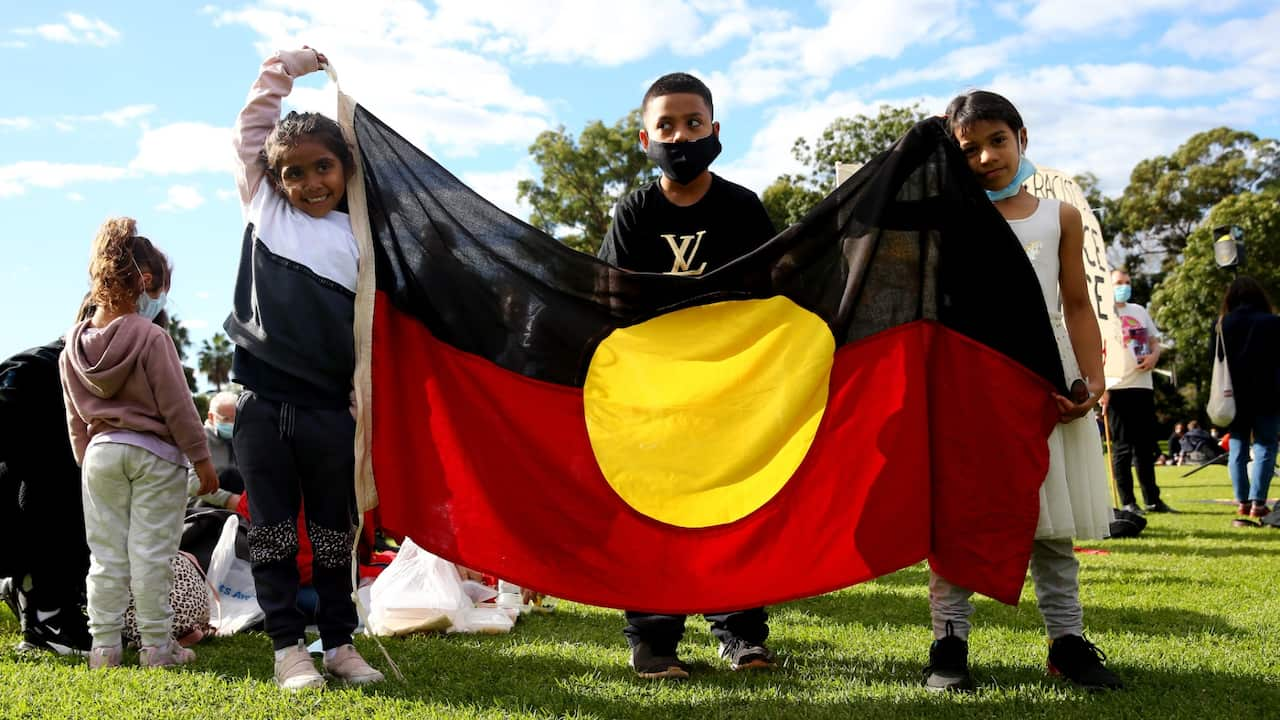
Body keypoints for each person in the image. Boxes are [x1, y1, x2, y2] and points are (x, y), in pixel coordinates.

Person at [922, 90, 1122, 692]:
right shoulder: (944, 223)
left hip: (1048, 381)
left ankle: (1067, 641)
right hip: (970, 384)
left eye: (997, 141)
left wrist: (1091, 380)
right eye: (969, 148)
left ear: (1022, 137)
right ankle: (948, 640)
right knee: (960, 517)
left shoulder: (1058, 216)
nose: (985, 157)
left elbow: (1078, 306)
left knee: (1051, 520)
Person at [597, 72, 778, 680]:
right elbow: (611, 303)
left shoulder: (743, 208)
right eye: (666, 126)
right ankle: (652, 639)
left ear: (715, 131)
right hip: (655, 396)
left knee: (735, 508)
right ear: (643, 137)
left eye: (693, 123)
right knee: (654, 513)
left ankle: (741, 634)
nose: (680, 136)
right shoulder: (634, 212)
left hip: (729, 392)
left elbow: (770, 296)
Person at [226, 46, 383, 690]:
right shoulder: (266, 210)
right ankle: (288, 649)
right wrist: (281, 71)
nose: (310, 183)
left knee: (332, 534)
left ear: (347, 168)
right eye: (294, 173)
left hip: (327, 413)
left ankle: (341, 645)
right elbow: (250, 135)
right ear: (274, 179)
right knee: (270, 533)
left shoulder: (362, 237)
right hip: (262, 408)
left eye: (324, 167)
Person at [59, 217, 219, 670]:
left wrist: (86, 460)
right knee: (152, 555)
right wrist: (201, 459)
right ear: (146, 282)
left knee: (106, 556)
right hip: (155, 456)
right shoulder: (152, 337)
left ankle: (104, 648)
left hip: (100, 455)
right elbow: (179, 407)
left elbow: (76, 418)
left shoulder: (71, 346)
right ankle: (156, 647)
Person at [0, 336, 92, 656]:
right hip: (23, 503)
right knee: (60, 467)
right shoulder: (38, 367)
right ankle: (46, 610)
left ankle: (44, 597)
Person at [1102, 269, 1174, 514]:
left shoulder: (1139, 311)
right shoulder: (1102, 313)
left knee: (1145, 447)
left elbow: (1154, 342)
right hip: (1116, 387)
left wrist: (1154, 356)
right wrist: (1102, 388)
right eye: (1119, 283)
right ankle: (1128, 501)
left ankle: (1153, 500)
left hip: (1142, 385)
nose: (1124, 286)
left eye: (1127, 282)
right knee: (1122, 448)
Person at [1216, 276, 1280, 523]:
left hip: (1233, 395)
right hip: (1268, 393)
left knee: (1238, 447)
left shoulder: (1222, 324)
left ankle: (1242, 501)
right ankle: (1258, 502)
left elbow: (1216, 360)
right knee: (1266, 445)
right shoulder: (1273, 323)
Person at [187, 391, 242, 509]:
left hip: (237, 503)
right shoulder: (197, 440)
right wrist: (228, 499)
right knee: (229, 475)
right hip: (201, 504)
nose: (231, 424)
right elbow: (190, 482)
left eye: (235, 419)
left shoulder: (242, 440)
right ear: (211, 417)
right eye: (226, 419)